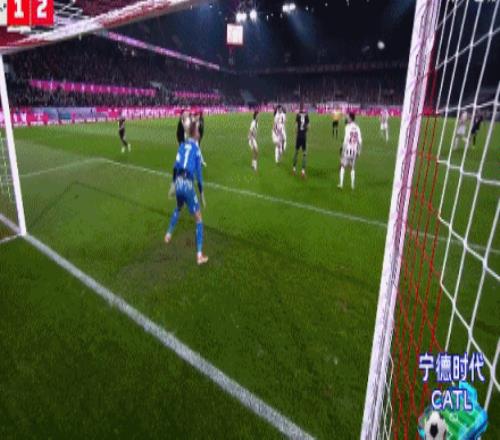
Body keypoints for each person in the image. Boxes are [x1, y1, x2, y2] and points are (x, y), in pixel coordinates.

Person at [165, 121, 208, 265]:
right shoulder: (196, 149)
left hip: (178, 182)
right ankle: (199, 256)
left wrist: (173, 184)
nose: (200, 133)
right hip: (188, 184)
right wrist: (202, 194)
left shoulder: (182, 146)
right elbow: (199, 175)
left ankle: (168, 234)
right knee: (199, 219)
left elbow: (175, 166)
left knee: (178, 207)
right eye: (198, 131)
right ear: (195, 133)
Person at [338, 112, 362, 190]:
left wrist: (342, 150)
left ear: (351, 118)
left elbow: (346, 140)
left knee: (342, 165)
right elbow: (360, 141)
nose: (346, 118)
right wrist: (359, 151)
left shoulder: (347, 127)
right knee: (352, 167)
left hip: (347, 149)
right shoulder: (357, 127)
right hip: (354, 150)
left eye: (348, 117)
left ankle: (341, 184)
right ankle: (352, 185)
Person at [292, 104, 310, 178]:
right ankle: (303, 172)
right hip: (304, 136)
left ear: (300, 108)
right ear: (304, 108)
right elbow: (308, 126)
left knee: (296, 152)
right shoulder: (306, 115)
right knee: (304, 154)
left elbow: (296, 126)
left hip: (298, 136)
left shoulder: (298, 115)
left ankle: (294, 169)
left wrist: (297, 133)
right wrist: (305, 131)